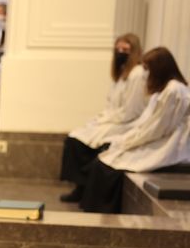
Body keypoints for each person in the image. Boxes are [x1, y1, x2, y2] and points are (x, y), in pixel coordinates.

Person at [80, 47, 189, 213]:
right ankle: (94, 208)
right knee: (105, 159)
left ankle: (103, 209)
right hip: (158, 137)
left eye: (147, 68)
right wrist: (129, 139)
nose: (144, 74)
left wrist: (131, 141)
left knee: (108, 164)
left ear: (159, 68)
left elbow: (158, 128)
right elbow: (150, 123)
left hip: (169, 144)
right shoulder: (165, 90)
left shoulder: (174, 90)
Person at [58, 34, 147, 202]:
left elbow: (131, 111)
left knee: (81, 143)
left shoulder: (137, 74)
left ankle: (84, 187)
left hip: (126, 124)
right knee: (74, 138)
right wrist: (100, 119)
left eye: (125, 50)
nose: (121, 53)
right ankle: (80, 185)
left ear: (134, 51)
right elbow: (111, 104)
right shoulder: (121, 74)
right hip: (113, 120)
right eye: (118, 49)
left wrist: (105, 120)